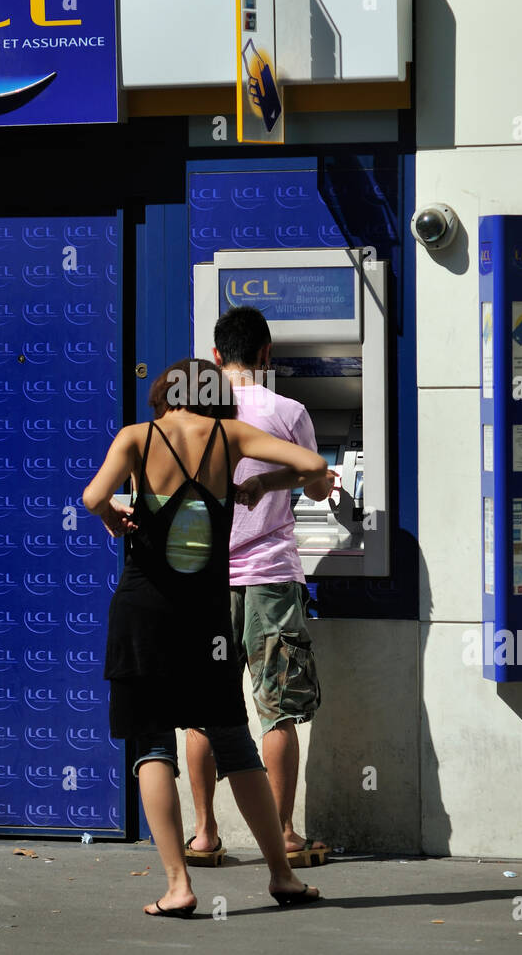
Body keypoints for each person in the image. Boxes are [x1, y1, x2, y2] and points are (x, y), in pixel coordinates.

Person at [81, 356, 330, 917]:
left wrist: (114, 518)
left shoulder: (137, 438)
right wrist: (267, 482)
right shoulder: (232, 435)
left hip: (143, 613)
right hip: (206, 619)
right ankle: (281, 876)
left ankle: (178, 886)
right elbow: (314, 464)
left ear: (166, 396)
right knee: (236, 745)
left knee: (151, 747)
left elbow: (94, 497)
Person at [185, 307, 336, 867]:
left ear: (218, 357)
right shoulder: (288, 411)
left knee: (201, 707)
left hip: (206, 581)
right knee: (276, 711)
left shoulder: (195, 415)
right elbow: (319, 485)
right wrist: (316, 482)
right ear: (267, 356)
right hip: (271, 575)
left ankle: (203, 837)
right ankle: (284, 836)